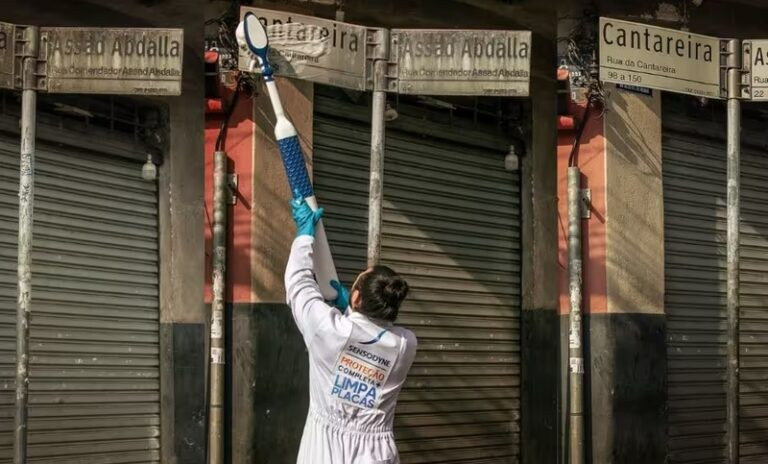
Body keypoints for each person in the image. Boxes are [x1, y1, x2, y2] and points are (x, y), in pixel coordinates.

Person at [285, 193, 418, 464]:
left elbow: (299, 285)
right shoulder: (406, 344)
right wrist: (350, 309)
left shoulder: (328, 330)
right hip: (377, 454)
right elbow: (365, 334)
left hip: (325, 452)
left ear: (356, 297)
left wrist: (304, 235)